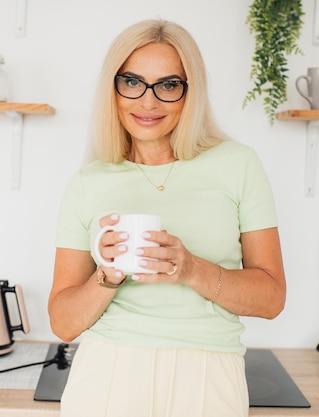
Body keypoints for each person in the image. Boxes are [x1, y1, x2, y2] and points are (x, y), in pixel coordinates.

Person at [48, 18, 286, 417]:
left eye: (169, 85)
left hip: (208, 374)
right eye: (132, 82)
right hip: (108, 374)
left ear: (190, 92)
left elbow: (272, 298)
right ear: (113, 88)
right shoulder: (87, 183)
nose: (147, 102)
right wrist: (108, 274)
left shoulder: (238, 164)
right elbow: (63, 324)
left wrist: (191, 268)